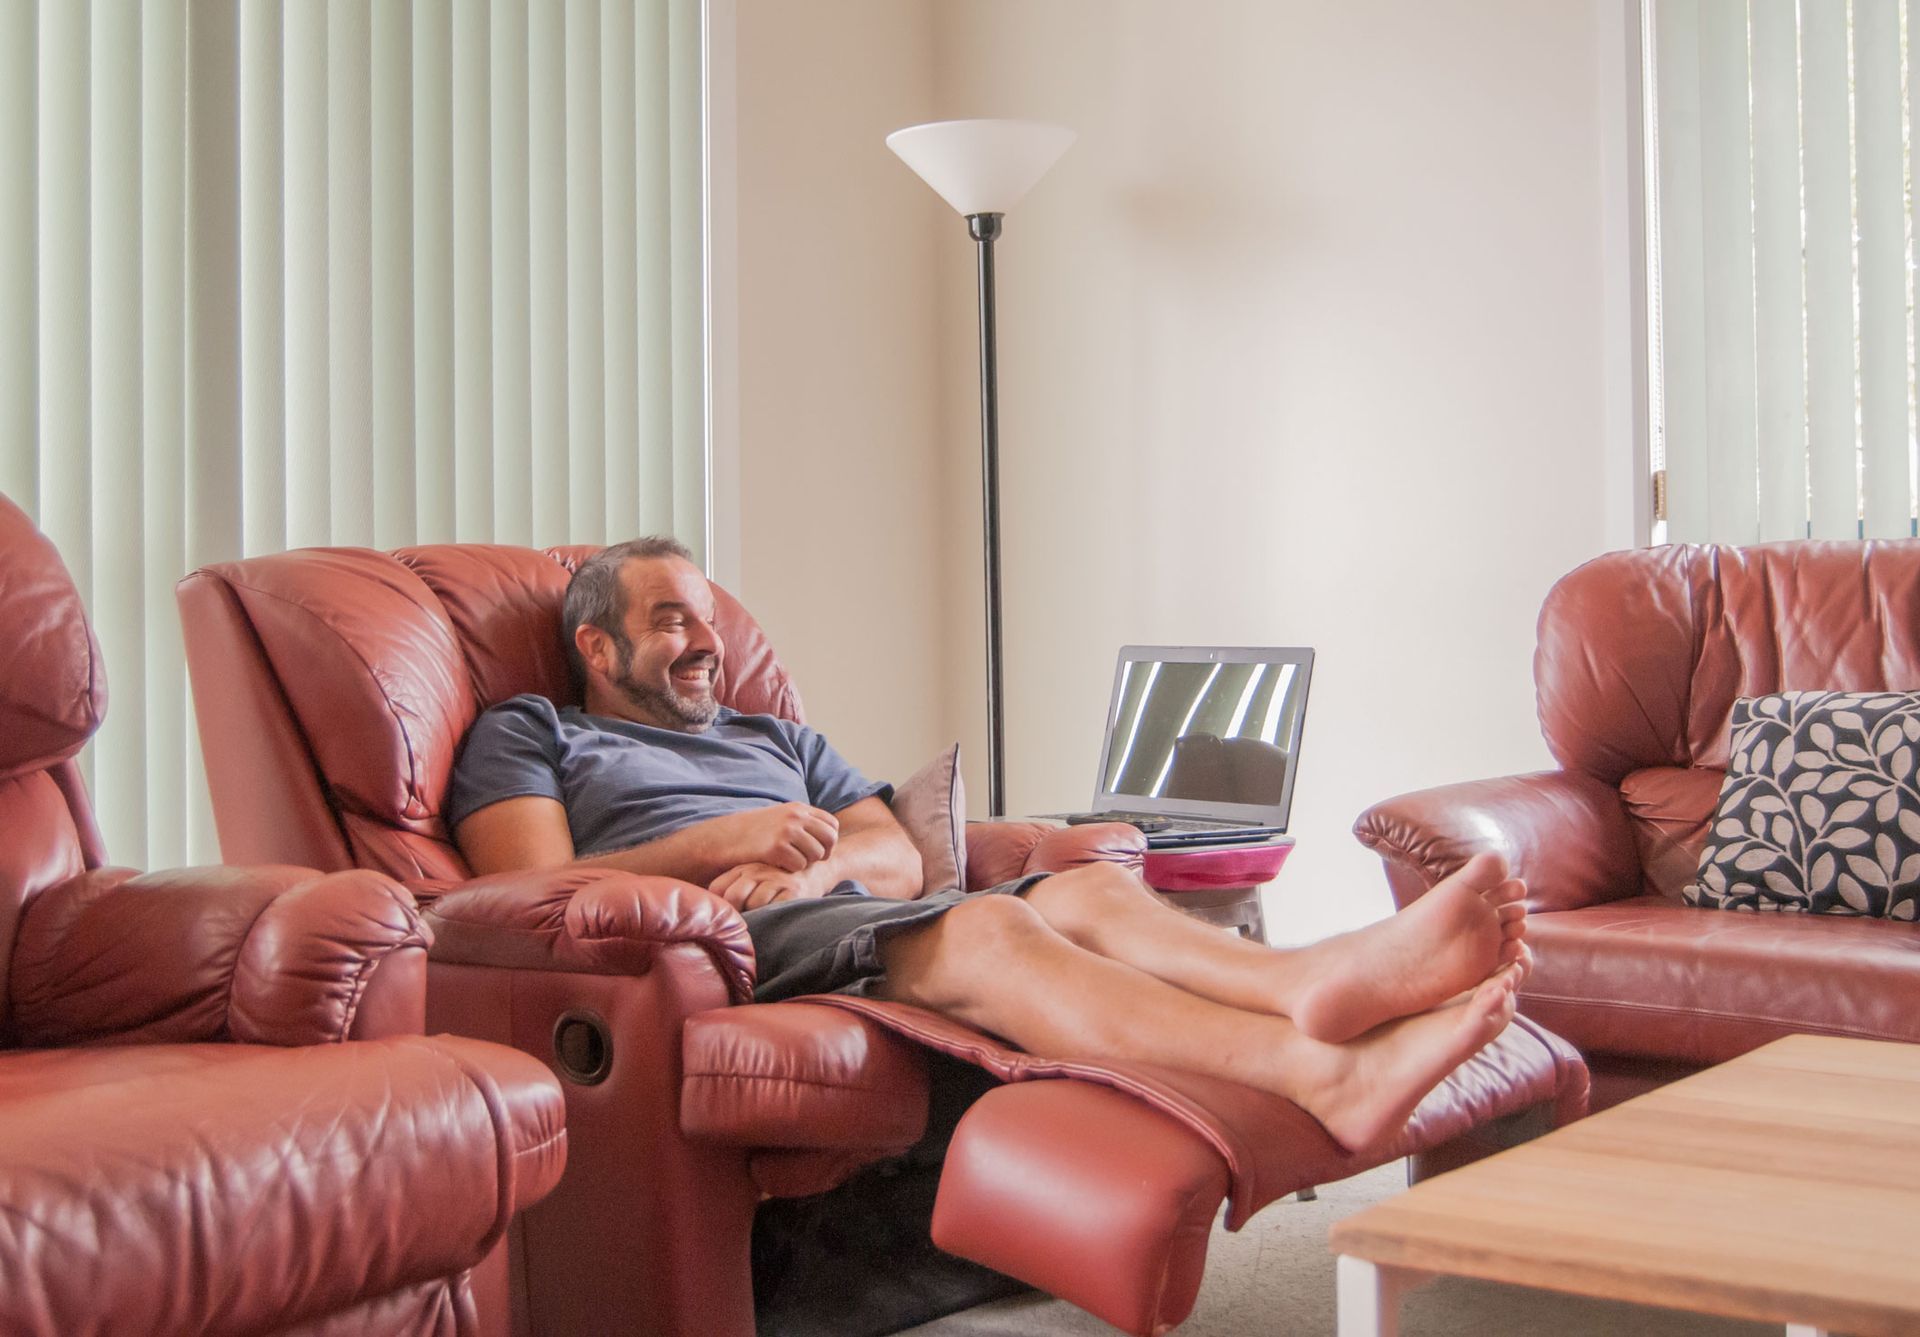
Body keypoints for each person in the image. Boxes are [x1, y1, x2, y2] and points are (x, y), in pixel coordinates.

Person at [447, 538, 1530, 1153]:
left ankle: (1310, 980)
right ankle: (1315, 1073)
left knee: (1081, 890)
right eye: (674, 620)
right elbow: (533, 891)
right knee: (995, 925)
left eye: (709, 620)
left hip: (818, 903)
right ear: (597, 645)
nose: (706, 642)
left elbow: (893, 853)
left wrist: (816, 865)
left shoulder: (773, 733)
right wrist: (720, 842)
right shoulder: (536, 731)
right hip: (711, 939)